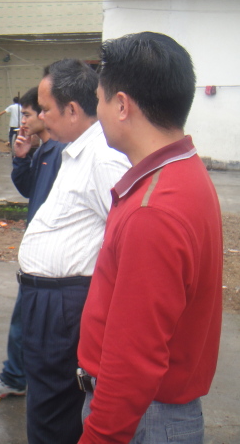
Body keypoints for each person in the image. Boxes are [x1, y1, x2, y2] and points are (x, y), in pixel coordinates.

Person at [77, 32, 223, 443]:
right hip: (156, 413)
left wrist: (99, 436)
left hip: (144, 418)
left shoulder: (153, 209)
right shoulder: (183, 173)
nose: (98, 113)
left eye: (100, 100)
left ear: (122, 105)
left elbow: (133, 359)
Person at [17, 59, 130, 444]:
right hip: (49, 300)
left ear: (73, 110)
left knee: (54, 408)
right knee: (46, 400)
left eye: (45, 109)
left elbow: (125, 237)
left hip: (66, 302)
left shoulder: (103, 158)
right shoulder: (74, 151)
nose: (40, 117)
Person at [0, 86, 64, 399]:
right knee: (27, 317)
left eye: (28, 114)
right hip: (38, 251)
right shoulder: (43, 151)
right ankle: (19, 375)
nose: (24, 121)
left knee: (28, 318)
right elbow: (29, 189)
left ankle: (18, 377)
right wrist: (21, 158)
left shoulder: (61, 153)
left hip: (51, 254)